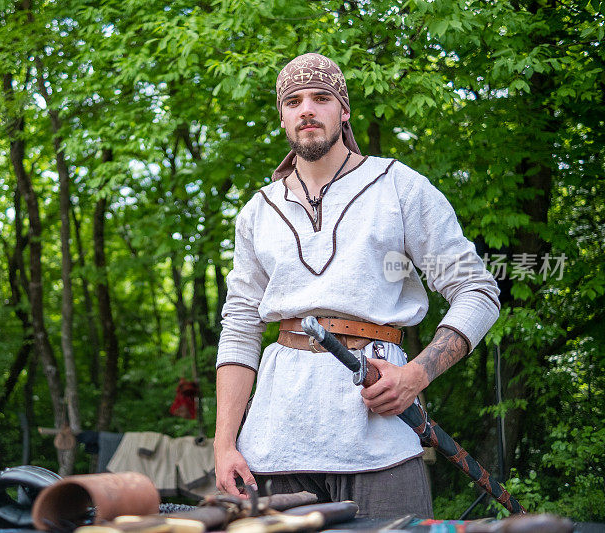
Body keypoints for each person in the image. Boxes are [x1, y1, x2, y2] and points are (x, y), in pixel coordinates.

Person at [213, 53, 500, 518]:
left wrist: (417, 375)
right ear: (283, 116)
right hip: (272, 443)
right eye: (294, 101)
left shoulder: (399, 187)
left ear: (343, 110)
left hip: (379, 434)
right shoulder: (258, 211)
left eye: (321, 98)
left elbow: (477, 290)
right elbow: (240, 327)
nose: (307, 109)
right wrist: (225, 442)